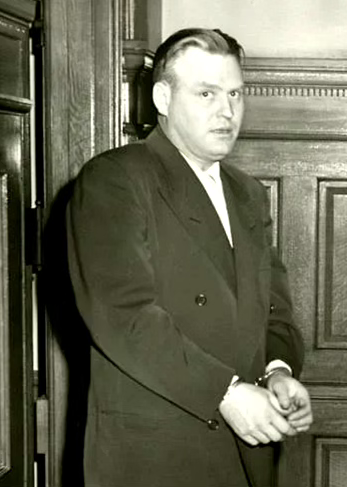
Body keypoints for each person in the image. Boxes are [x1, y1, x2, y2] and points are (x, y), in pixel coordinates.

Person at [66, 28, 313, 487]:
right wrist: (226, 393)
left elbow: (273, 309)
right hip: (158, 454)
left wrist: (277, 371)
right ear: (163, 98)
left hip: (248, 446)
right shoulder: (115, 179)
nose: (227, 111)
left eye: (235, 94)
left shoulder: (248, 194)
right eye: (206, 93)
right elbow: (124, 317)